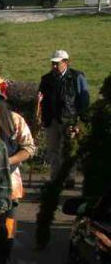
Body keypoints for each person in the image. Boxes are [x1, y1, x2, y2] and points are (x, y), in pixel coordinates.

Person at [38, 49, 90, 184]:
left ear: (66, 62)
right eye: (52, 63)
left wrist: (79, 122)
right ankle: (55, 178)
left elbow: (84, 101)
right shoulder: (46, 79)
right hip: (51, 120)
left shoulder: (77, 77)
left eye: (57, 63)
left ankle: (69, 177)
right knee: (53, 150)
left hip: (69, 120)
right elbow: (41, 100)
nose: (54, 66)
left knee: (68, 149)